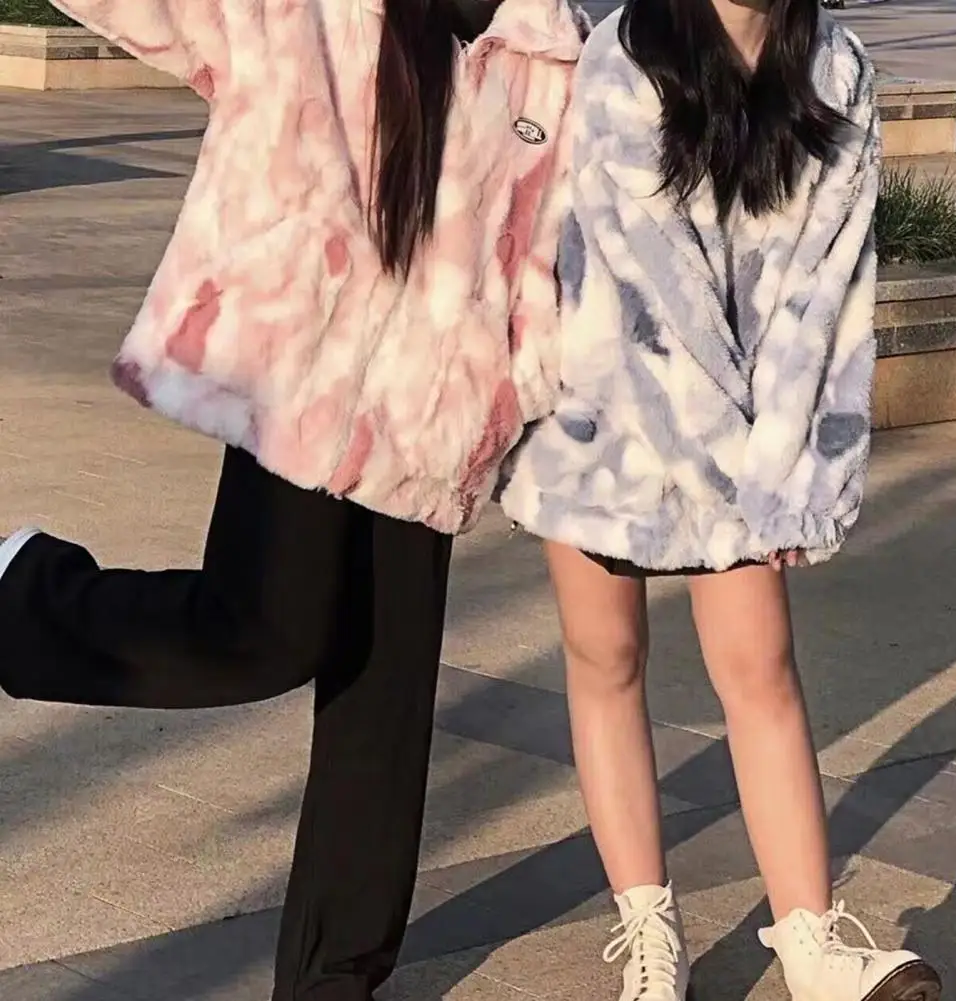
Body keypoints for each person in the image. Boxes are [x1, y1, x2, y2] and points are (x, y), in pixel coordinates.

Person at [0, 1, 587, 999]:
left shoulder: (554, 53)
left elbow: (553, 255)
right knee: (262, 633)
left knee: (383, 696)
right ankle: (21, 598)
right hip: (301, 390)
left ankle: (335, 978)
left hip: (430, 417)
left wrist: (507, 391)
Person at [500, 2, 943, 1000]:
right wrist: (749, 480)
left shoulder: (835, 68)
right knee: (605, 658)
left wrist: (791, 468)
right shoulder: (624, 54)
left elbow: (828, 291)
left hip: (742, 440)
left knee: (759, 667)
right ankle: (648, 934)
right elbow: (654, 292)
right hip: (601, 419)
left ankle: (810, 942)